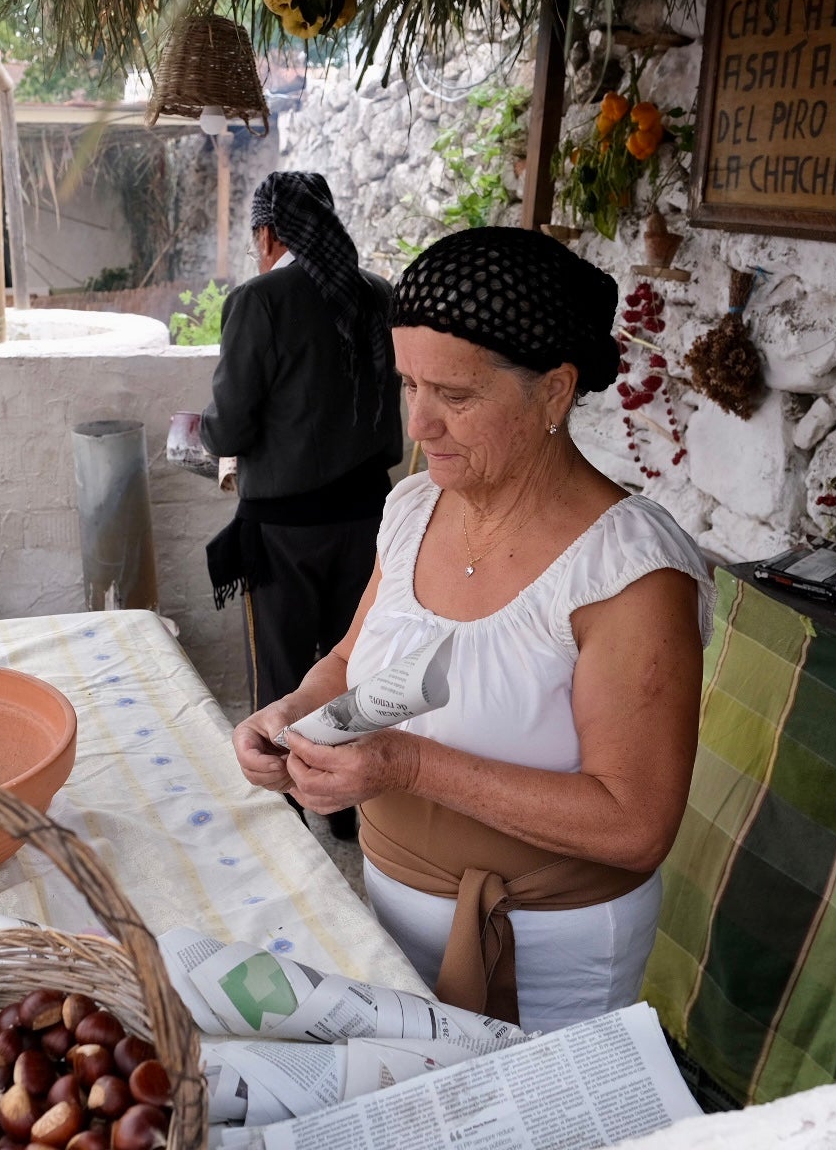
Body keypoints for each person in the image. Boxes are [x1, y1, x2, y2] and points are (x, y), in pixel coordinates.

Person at [230, 227, 715, 1032]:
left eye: (455, 397)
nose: (420, 425)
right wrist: (291, 713)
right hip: (388, 920)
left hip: (549, 958)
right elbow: (352, 657)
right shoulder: (415, 507)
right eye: (409, 385)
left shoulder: (628, 573)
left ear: (555, 392)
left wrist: (404, 764)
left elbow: (636, 823)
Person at [201, 171, 403, 844]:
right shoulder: (377, 294)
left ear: (267, 233)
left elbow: (228, 429)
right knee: (355, 668)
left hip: (284, 532)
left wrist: (198, 434)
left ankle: (291, 818)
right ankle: (346, 809)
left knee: (286, 678)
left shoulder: (260, 301)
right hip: (372, 522)